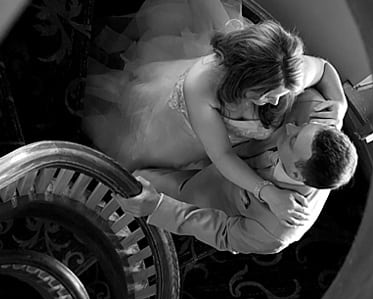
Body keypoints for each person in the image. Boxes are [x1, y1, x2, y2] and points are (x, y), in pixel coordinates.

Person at [83, 0, 348, 226]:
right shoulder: (201, 84)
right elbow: (222, 155)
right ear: (242, 80)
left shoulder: (286, 71)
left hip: (225, 129)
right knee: (137, 147)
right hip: (180, 126)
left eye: (282, 94)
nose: (277, 102)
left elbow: (324, 69)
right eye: (265, 94)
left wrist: (340, 102)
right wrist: (268, 193)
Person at [115, 89, 358, 255]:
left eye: (293, 141)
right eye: (302, 127)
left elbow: (223, 234)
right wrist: (340, 99)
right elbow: (320, 68)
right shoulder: (318, 116)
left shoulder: (275, 232)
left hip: (203, 190)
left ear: (297, 174)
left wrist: (156, 207)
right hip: (214, 134)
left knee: (133, 179)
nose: (292, 127)